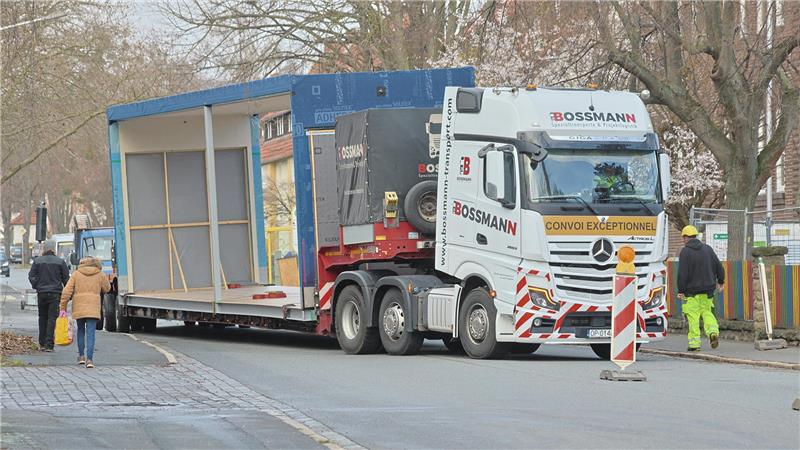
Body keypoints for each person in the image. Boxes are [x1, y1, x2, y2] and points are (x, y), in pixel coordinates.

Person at [677, 225, 725, 352]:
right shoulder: (708, 249)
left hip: (691, 292)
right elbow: (719, 266)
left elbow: (682, 273)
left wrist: (681, 290)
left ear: (686, 237)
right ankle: (713, 332)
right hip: (708, 291)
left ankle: (694, 344)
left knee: (693, 317)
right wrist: (721, 281)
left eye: (683, 237)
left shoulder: (685, 252)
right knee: (707, 312)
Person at [60, 257, 111, 368]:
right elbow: (107, 288)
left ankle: (81, 356)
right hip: (93, 307)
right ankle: (90, 360)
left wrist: (62, 307)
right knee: (91, 333)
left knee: (81, 331)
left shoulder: (76, 274)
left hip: (79, 307)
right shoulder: (100, 274)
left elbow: (66, 291)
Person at [28, 240, 70, 352]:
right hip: (55, 294)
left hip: (41, 293)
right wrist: (67, 294)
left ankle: (41, 343)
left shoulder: (37, 261)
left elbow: (31, 276)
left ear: (44, 249)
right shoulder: (60, 262)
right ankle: (49, 344)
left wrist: (36, 285)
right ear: (53, 249)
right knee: (52, 318)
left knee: (42, 317)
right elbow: (67, 279)